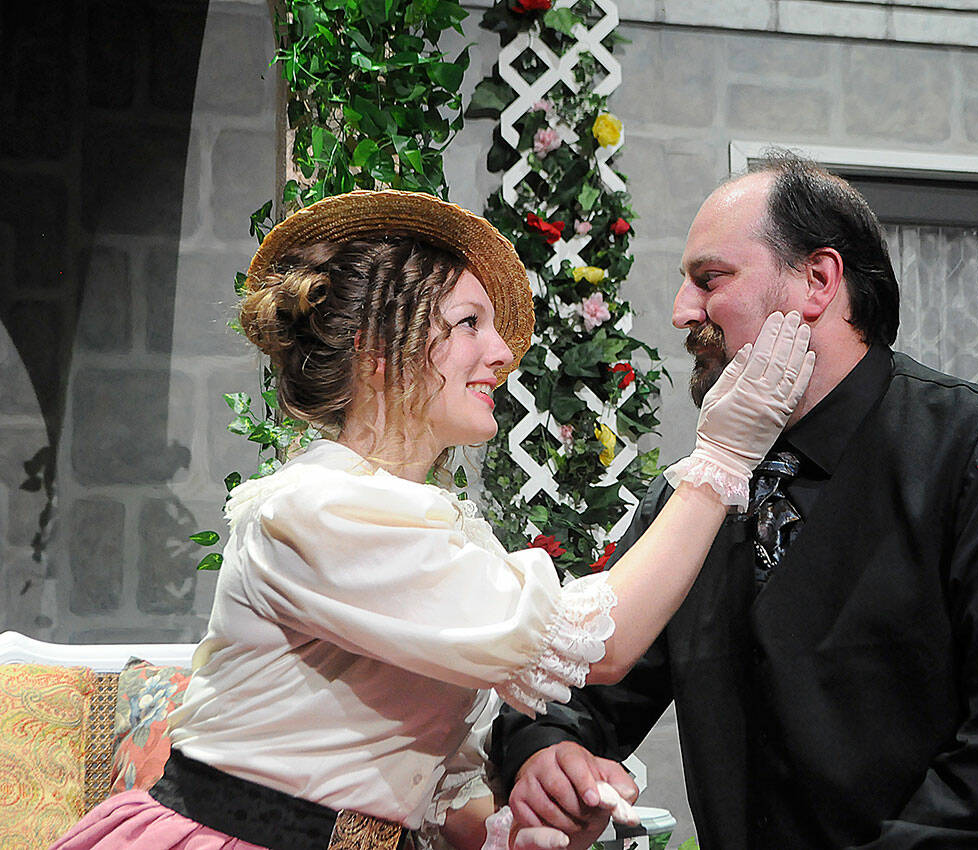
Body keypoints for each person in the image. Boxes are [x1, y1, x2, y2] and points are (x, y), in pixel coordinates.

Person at [49, 189, 813, 850]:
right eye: (470, 323)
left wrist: (506, 829)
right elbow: (600, 644)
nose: (503, 352)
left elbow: (417, 772)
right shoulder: (321, 507)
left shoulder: (425, 522)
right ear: (383, 346)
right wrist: (722, 456)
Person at [491, 154, 978, 849]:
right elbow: (579, 675)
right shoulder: (696, 499)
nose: (683, 311)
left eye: (709, 279)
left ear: (817, 280)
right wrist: (543, 751)